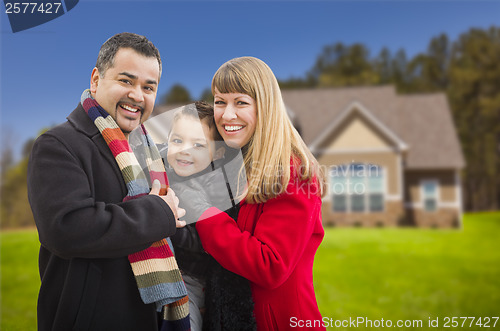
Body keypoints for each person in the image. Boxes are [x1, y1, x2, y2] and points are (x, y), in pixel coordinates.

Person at [27, 32, 188, 331]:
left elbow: (171, 228)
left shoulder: (149, 152)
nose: (138, 96)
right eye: (126, 81)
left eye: (148, 87)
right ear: (96, 79)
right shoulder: (57, 145)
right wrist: (158, 212)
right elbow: (66, 228)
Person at [194, 56, 327, 330]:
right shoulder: (235, 162)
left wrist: (203, 211)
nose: (226, 115)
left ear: (265, 106)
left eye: (240, 102)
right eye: (220, 101)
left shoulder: (294, 173)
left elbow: (270, 265)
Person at [166, 101, 256, 331]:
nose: (184, 150)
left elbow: (204, 241)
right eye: (177, 141)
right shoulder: (162, 174)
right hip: (168, 272)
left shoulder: (219, 189)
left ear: (217, 153)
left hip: (197, 279)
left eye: (198, 145)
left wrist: (168, 226)